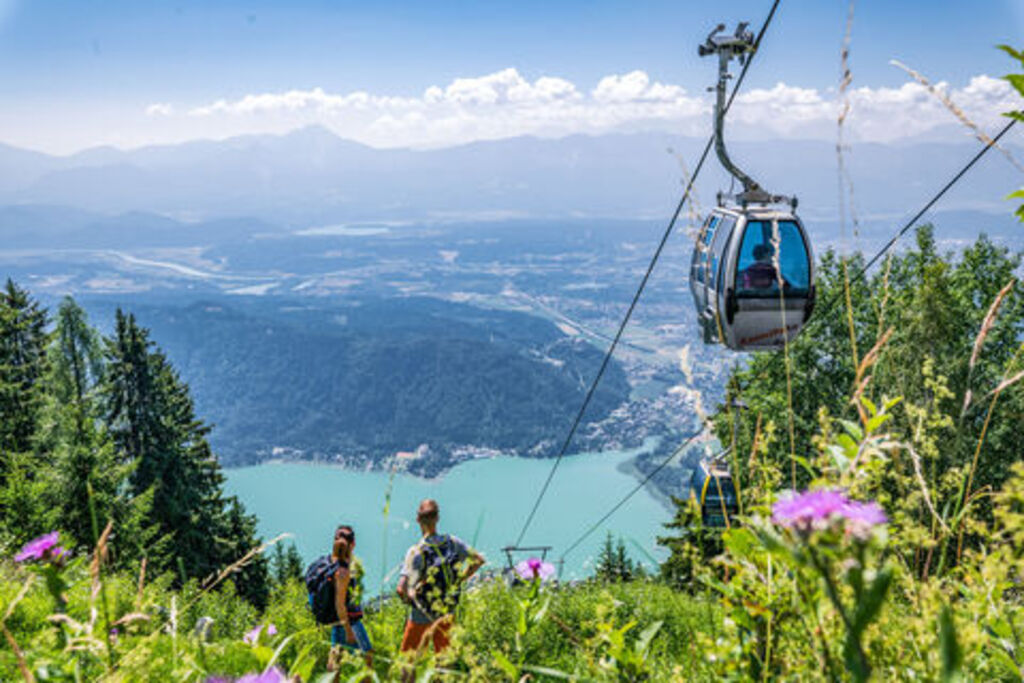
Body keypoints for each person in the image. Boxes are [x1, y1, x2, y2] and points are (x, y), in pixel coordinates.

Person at [396, 499, 484, 656]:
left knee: (408, 662)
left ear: (418, 519)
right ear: (437, 518)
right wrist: (460, 580)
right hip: (446, 611)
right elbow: (478, 560)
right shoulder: (453, 543)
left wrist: (408, 600)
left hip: (421, 614)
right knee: (444, 661)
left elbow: (400, 589)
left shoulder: (416, 551)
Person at [307, 525, 372, 670]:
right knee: (366, 659)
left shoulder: (330, 562)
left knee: (335, 662)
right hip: (348, 621)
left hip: (338, 621)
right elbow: (340, 605)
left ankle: (329, 678)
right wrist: (349, 631)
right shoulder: (342, 571)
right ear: (352, 544)